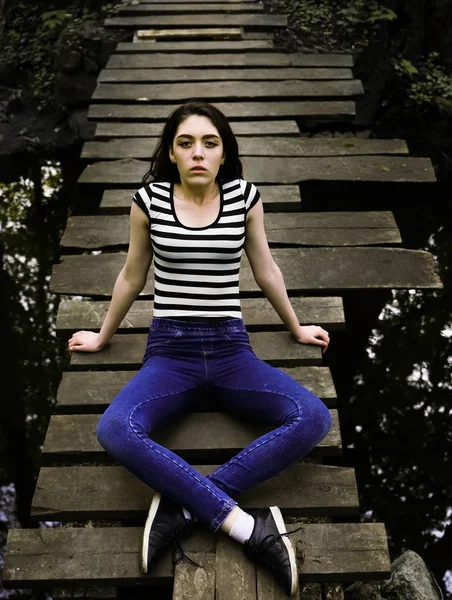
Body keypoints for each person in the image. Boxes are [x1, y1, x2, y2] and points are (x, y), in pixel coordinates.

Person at [68, 100, 331, 597]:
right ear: (170, 153)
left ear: (224, 151)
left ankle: (184, 507)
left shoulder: (245, 197)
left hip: (232, 350)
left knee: (313, 417)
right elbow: (131, 274)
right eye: (186, 143)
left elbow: (266, 267)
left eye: (210, 143)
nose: (198, 153)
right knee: (114, 429)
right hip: (170, 352)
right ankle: (247, 528)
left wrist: (296, 327)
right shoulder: (148, 201)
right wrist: (103, 334)